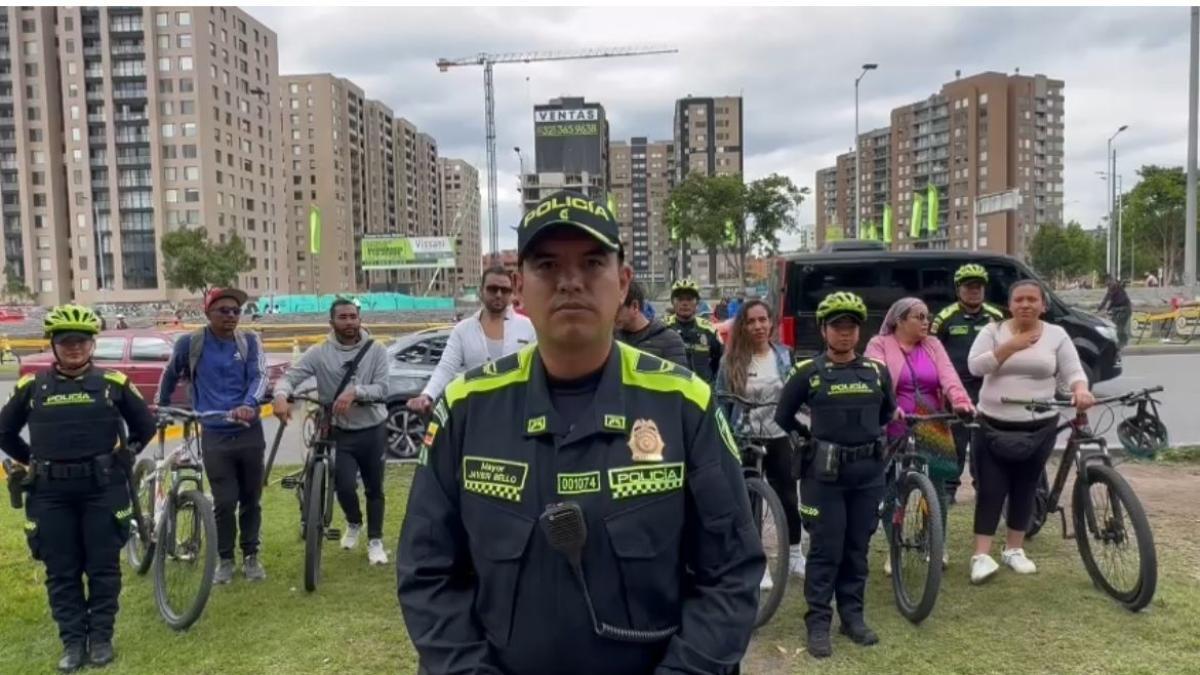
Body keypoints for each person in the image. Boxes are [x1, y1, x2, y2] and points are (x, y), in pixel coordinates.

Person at [398, 190, 764, 675]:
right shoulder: (467, 407)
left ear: (623, 283)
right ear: (519, 288)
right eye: (547, 266)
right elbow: (427, 575)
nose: (570, 282)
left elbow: (730, 574)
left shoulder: (684, 404)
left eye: (592, 263)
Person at [0, 305, 156, 671]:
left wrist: (127, 453)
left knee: (103, 568)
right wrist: (31, 459)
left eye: (82, 341)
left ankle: (100, 638)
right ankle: (72, 642)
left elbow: (145, 426)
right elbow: (4, 431)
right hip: (50, 494)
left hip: (102, 489)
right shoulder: (31, 386)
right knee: (62, 570)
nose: (75, 348)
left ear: (92, 344)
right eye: (66, 341)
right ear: (53, 344)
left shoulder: (113, 383)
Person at [774, 291, 895, 659]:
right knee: (826, 550)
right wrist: (809, 441)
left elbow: (887, 414)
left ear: (860, 332)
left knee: (857, 549)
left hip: (867, 475)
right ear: (824, 330)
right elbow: (783, 416)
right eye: (837, 327)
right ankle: (818, 622)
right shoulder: (807, 373)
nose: (845, 334)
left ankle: (852, 617)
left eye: (851, 327)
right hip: (823, 477)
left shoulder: (877, 372)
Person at [967, 280, 1095, 584]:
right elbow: (974, 367)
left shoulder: (1056, 335)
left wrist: (1081, 389)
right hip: (993, 423)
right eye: (1019, 299)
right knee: (991, 489)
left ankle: (1014, 549)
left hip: (1039, 426)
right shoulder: (993, 331)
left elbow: (1073, 370)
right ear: (1010, 305)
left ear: (1043, 305)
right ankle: (981, 555)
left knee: (1026, 487)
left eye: (1032, 299)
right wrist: (1011, 347)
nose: (1026, 304)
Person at [156, 287, 269, 585]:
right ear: (207, 313)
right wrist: (163, 406)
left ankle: (251, 556)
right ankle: (226, 559)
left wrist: (249, 404)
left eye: (236, 311)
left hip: (249, 432)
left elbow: (260, 376)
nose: (231, 316)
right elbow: (170, 374)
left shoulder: (249, 342)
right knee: (224, 501)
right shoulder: (190, 343)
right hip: (214, 434)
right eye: (224, 311)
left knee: (251, 499)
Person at [272, 298, 391, 566]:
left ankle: (375, 541)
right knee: (344, 485)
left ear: (360, 319)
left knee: (375, 487)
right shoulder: (320, 352)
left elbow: (383, 389)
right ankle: (354, 522)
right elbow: (289, 377)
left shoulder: (377, 350)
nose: (349, 322)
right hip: (340, 431)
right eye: (343, 317)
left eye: (353, 317)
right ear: (332, 322)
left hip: (372, 429)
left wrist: (356, 391)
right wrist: (281, 394)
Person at [866, 297, 974, 572]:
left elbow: (949, 377)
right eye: (919, 317)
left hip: (931, 423)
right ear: (899, 320)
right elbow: (876, 377)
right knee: (892, 489)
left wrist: (961, 401)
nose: (926, 322)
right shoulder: (879, 345)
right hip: (893, 423)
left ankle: (935, 543)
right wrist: (888, 407)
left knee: (935, 487)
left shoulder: (933, 345)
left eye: (927, 316)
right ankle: (895, 548)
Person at [715, 299, 806, 587]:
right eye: (751, 321)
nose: (758, 326)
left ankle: (794, 554)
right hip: (745, 439)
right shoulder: (731, 360)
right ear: (743, 325)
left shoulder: (784, 356)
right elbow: (720, 400)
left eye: (763, 320)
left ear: (771, 323)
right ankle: (757, 563)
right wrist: (724, 434)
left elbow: (794, 393)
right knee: (749, 503)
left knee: (789, 498)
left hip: (779, 436)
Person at [406, 266, 536, 415]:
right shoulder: (463, 329)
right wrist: (427, 395)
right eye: (493, 289)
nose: (499, 294)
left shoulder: (528, 327)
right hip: (475, 412)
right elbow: (446, 368)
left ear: (511, 293)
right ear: (481, 291)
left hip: (517, 412)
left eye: (505, 290)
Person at [931, 263, 1004, 501]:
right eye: (968, 286)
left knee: (985, 442)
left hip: (987, 390)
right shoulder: (945, 317)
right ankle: (949, 491)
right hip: (955, 392)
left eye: (978, 287)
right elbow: (932, 352)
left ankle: (983, 487)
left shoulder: (996, 317)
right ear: (958, 290)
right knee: (955, 444)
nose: (974, 291)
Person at [614, 279, 687, 366]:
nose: (611, 315)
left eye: (616, 309)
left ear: (635, 306)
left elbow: (679, 378)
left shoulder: (669, 340)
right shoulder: (611, 339)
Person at [664, 278, 723, 383]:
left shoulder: (709, 330)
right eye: (680, 299)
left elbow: (721, 362)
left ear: (697, 303)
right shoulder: (663, 328)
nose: (685, 303)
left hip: (702, 393)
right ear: (673, 302)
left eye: (689, 299)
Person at [1097, 275, 1132, 349]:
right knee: (1116, 326)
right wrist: (1103, 308)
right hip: (1122, 309)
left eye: (1107, 281)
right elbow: (1109, 300)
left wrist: (1101, 308)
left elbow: (1108, 299)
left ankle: (1122, 343)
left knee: (1118, 326)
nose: (1106, 284)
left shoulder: (1114, 286)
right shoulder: (1114, 287)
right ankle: (1122, 342)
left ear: (1109, 280)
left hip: (1123, 310)